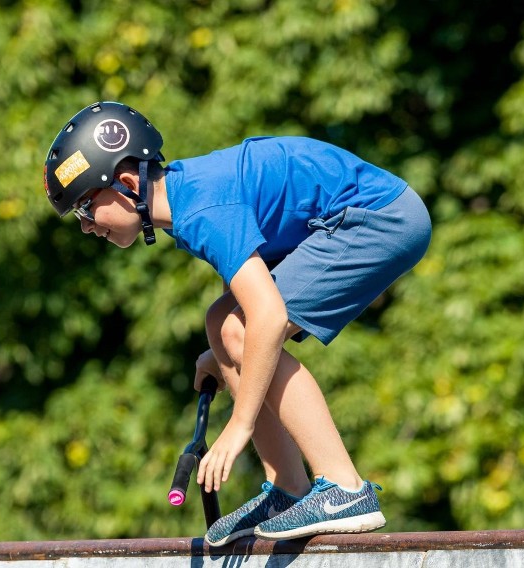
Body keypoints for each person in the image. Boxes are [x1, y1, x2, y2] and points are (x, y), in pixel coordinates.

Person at [43, 101, 432, 545]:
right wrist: (222, 353)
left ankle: (344, 487)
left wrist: (239, 425)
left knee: (239, 329)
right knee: (222, 322)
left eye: (86, 208)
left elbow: (267, 316)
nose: (87, 226)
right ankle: (288, 488)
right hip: (357, 218)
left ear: (128, 184)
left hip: (380, 218)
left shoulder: (204, 208)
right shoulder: (187, 203)